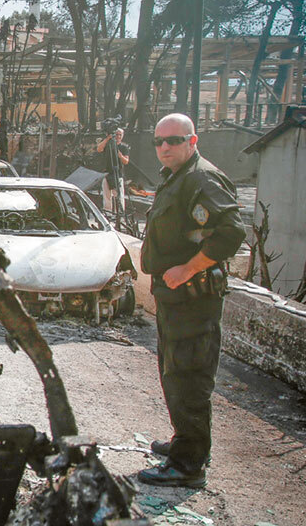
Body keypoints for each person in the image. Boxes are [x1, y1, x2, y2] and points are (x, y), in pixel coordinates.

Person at [137, 113, 245, 488]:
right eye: (159, 141)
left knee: (189, 376)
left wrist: (188, 268)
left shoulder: (201, 178)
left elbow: (232, 233)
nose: (164, 147)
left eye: (173, 140)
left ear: (192, 141)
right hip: (174, 299)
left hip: (193, 299)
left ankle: (188, 466)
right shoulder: (178, 177)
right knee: (173, 371)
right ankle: (186, 442)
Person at [96, 127, 131, 213]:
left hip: (118, 173)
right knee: (107, 195)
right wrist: (107, 138)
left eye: (120, 135)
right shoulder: (108, 144)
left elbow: (126, 161)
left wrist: (120, 156)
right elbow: (99, 149)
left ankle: (120, 212)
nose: (118, 136)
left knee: (119, 195)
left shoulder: (124, 147)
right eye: (116, 134)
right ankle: (108, 213)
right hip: (107, 172)